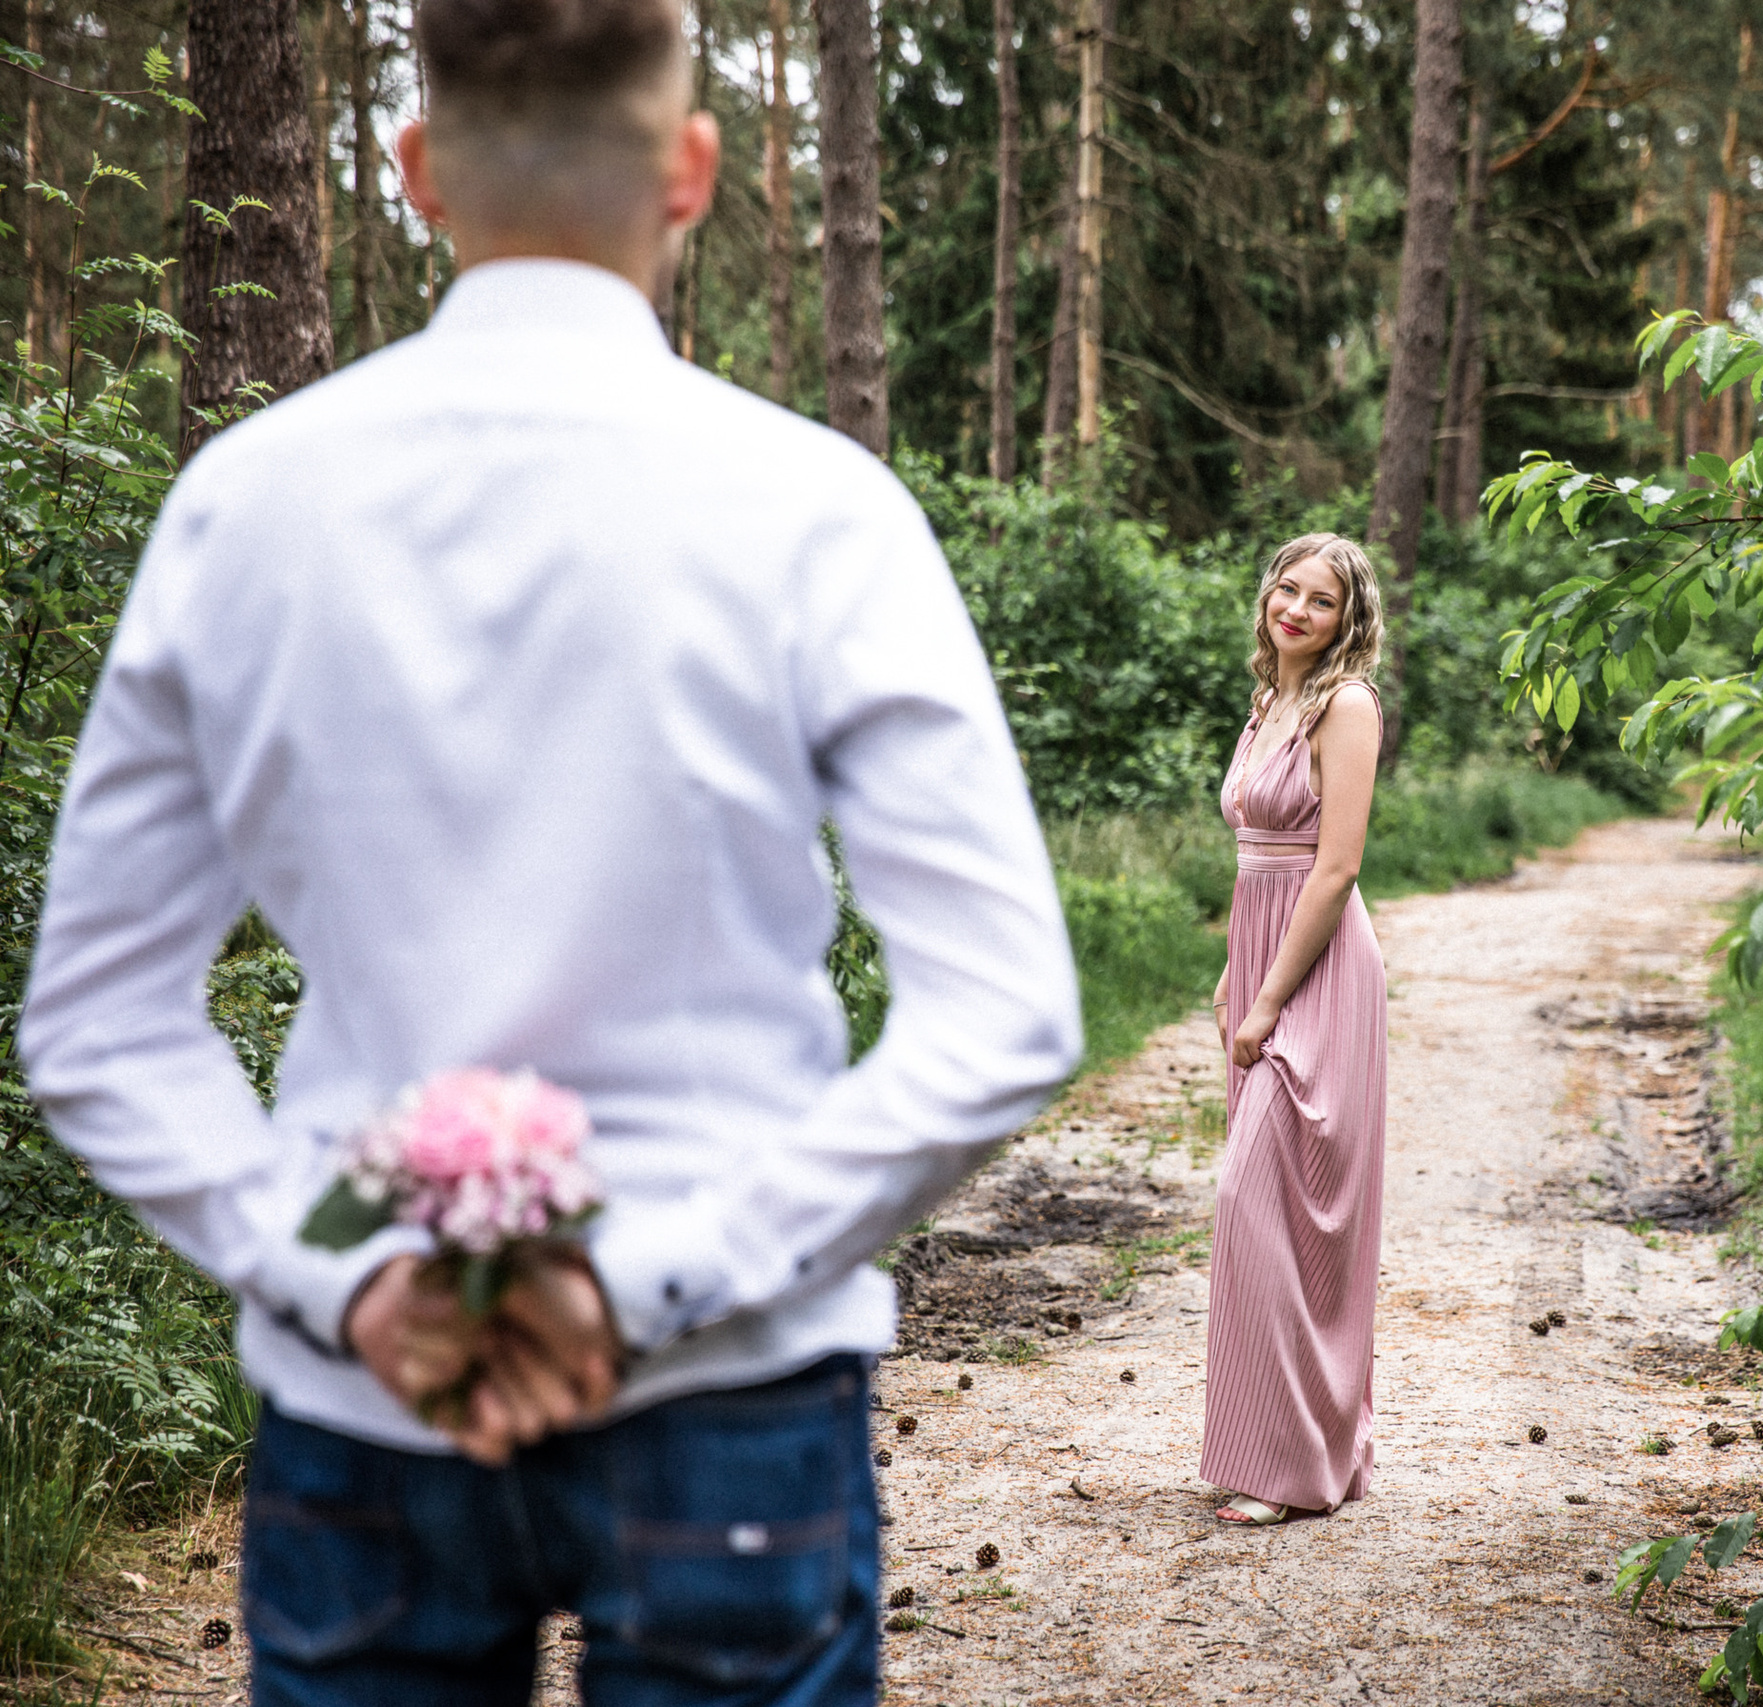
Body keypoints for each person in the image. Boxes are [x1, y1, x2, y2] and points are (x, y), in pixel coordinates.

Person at [15, 1, 1081, 1701]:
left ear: (415, 169)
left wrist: (350, 1280)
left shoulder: (245, 501)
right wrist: (655, 1276)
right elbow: (1004, 1012)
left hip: (373, 1404)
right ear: (698, 172)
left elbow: (95, 1021)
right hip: (733, 1399)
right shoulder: (816, 508)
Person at [1200, 532, 1389, 1526]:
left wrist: (1272, 995)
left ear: (1346, 618)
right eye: (1286, 589)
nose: (1296, 610)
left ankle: (1290, 1465)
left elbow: (1334, 865)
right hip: (1262, 954)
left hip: (1319, 971)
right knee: (1266, 1206)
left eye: (1320, 600)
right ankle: (1293, 1450)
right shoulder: (1266, 701)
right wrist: (1235, 975)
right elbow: (1255, 860)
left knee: (1265, 1203)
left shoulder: (1344, 705)